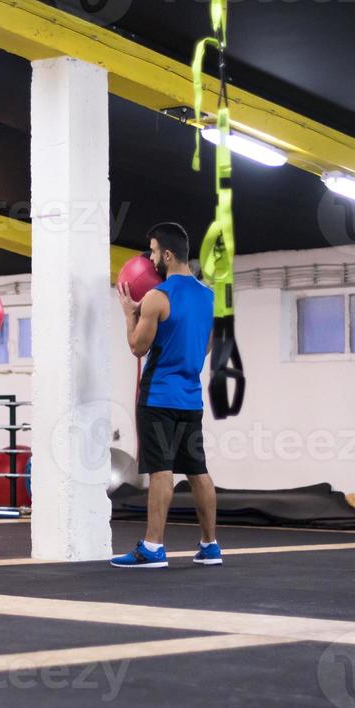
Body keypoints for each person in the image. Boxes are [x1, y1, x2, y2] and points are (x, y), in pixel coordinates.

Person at [110, 222, 222, 569]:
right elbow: (204, 349)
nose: (152, 258)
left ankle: (153, 547)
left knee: (161, 472)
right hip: (190, 399)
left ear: (168, 255)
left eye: (155, 251)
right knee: (198, 472)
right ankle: (210, 545)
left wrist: (130, 314)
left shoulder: (158, 297)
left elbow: (136, 348)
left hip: (158, 398)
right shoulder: (208, 297)